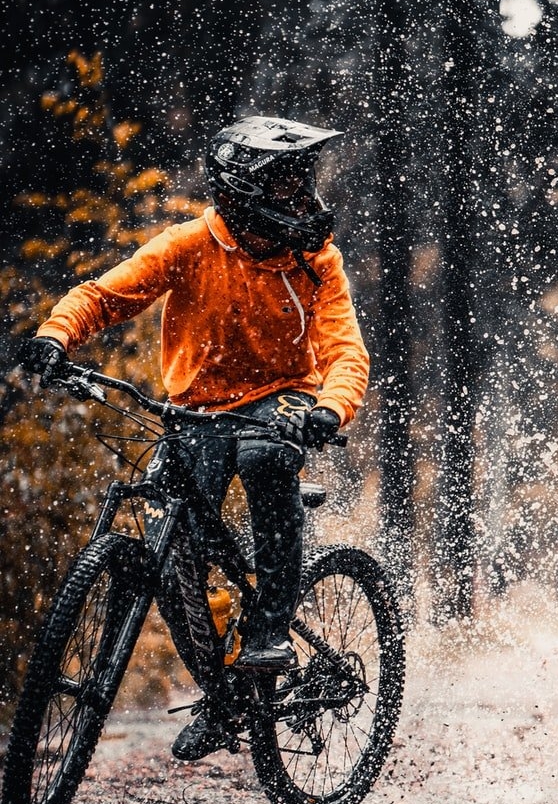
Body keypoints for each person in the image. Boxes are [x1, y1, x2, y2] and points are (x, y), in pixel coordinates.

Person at [23, 114, 370, 760]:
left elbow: (345, 351)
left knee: (268, 455)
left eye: (305, 185)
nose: (305, 200)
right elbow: (105, 296)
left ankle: (269, 635)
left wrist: (330, 409)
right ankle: (223, 693)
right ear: (245, 190)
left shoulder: (315, 260)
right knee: (168, 548)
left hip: (283, 398)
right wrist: (54, 337)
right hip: (196, 410)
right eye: (289, 186)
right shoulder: (188, 245)